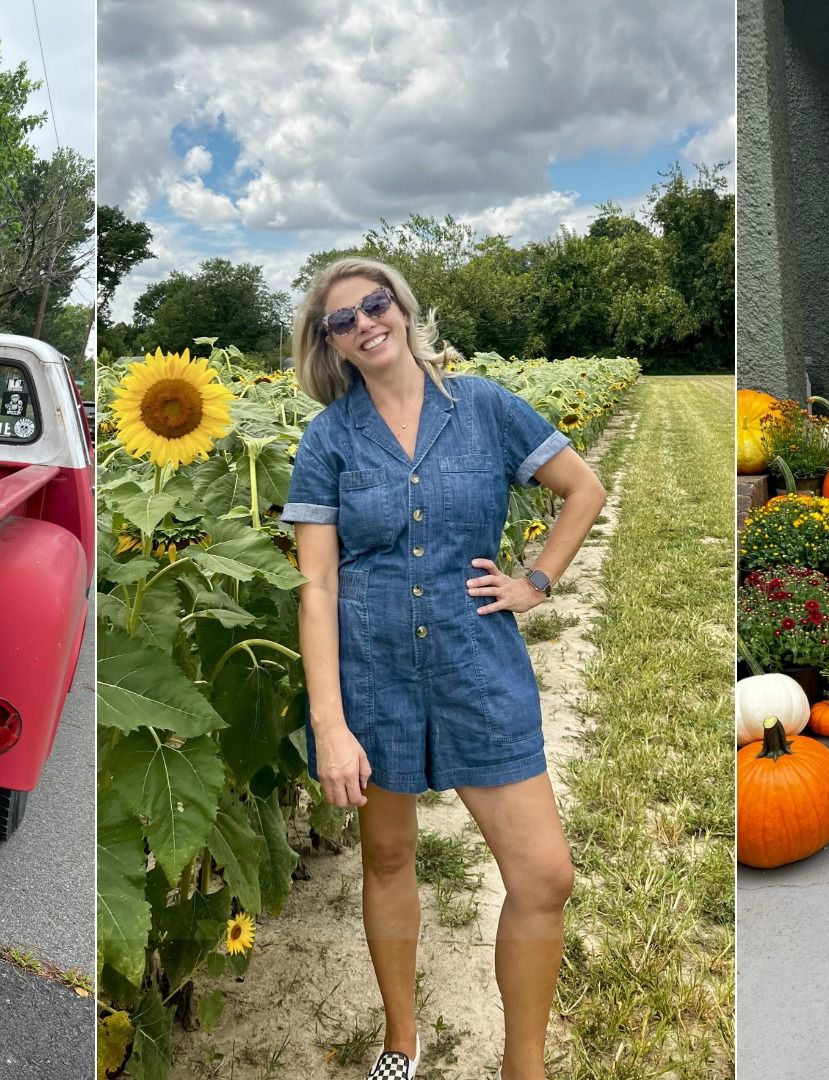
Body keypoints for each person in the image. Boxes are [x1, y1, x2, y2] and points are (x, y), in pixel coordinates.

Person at [281, 258, 607, 1080]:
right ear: (331, 346)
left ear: (402, 308)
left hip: (474, 663)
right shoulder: (329, 440)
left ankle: (521, 1068)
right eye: (342, 320)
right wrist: (330, 724)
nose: (364, 323)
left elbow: (583, 488)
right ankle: (401, 1039)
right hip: (373, 671)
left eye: (375, 304)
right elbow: (316, 583)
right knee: (388, 857)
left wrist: (536, 582)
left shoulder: (487, 408)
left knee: (544, 874)